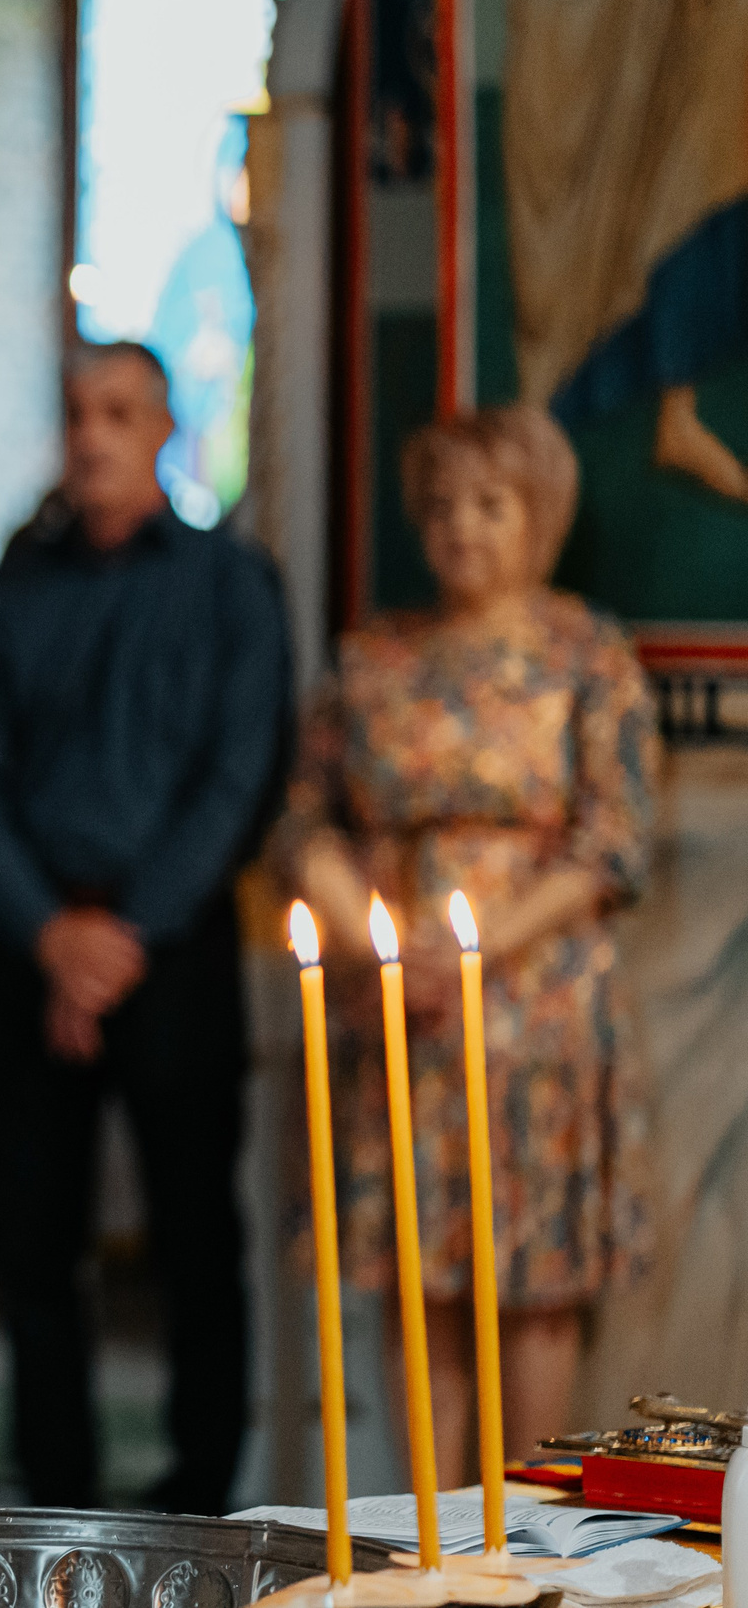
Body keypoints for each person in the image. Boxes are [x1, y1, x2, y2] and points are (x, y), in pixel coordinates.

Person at [0, 339, 291, 1513]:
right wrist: (52, 938)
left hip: (170, 954)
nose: (92, 434)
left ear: (165, 431)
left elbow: (240, 778)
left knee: (197, 1236)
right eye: (79, 411)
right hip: (27, 953)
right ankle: (54, 1498)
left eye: (119, 413)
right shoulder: (4, 595)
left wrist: (122, 934)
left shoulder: (233, 586)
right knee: (35, 1243)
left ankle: (199, 1495)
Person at [275, 405, 657, 1483]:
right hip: (396, 1010)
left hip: (538, 1011)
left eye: (489, 504)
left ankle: (526, 1542)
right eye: (440, 505)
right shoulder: (371, 659)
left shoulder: (587, 653)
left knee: (533, 1288)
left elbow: (614, 840)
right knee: (417, 1277)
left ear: (539, 515)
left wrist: (473, 946)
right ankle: (427, 1544)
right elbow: (302, 826)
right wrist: (385, 950)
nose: (461, 527)